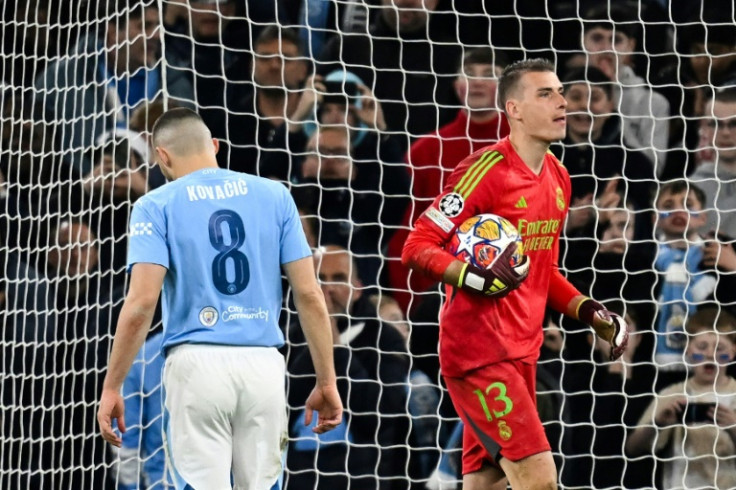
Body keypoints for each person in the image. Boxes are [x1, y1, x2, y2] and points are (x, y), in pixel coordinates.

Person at [401, 59, 630, 489]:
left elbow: (544, 272)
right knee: (539, 480)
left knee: (486, 483)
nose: (563, 102)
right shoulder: (484, 171)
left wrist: (590, 313)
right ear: (514, 109)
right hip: (479, 355)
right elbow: (418, 247)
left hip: (523, 351)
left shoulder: (559, 178)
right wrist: (475, 277)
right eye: (546, 94)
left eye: (560, 92)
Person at [97, 108, 342, 488]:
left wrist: (112, 386)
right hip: (263, 366)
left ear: (161, 156)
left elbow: (141, 304)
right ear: (214, 145)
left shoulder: (155, 204)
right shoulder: (276, 195)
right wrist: (327, 380)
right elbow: (309, 294)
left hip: (196, 365)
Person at [387, 47, 511, 312]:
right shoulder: (425, 150)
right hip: (437, 296)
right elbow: (404, 231)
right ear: (457, 86)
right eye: (469, 73)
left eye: (489, 74)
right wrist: (412, 304)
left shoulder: (526, 147)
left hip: (511, 290)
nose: (477, 81)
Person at [285, 245, 410, 489]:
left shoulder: (384, 338)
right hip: (296, 474)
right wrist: (315, 339)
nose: (328, 289)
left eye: (338, 279)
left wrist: (333, 344)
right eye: (319, 279)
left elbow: (381, 416)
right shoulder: (290, 337)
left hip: (364, 475)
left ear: (358, 288)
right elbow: (282, 405)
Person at [34, 0, 194, 175]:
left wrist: (149, 184)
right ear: (112, 32)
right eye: (145, 26)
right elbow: (38, 145)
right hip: (83, 195)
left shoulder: (176, 83)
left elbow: (189, 154)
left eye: (157, 25)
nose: (156, 35)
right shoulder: (63, 77)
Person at [625, 306, 736, 489]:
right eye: (702, 346)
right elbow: (632, 448)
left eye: (719, 348)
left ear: (732, 352)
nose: (710, 354)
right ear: (688, 349)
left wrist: (732, 426)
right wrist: (658, 423)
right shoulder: (673, 394)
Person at [581, 5, 671, 176]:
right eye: (597, 38)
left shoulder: (653, 103)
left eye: (616, 40)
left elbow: (654, 170)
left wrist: (613, 108)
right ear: (583, 41)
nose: (606, 48)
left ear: (631, 45)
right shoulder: (562, 95)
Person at [652, 180, 714, 388]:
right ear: (655, 218)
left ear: (703, 217)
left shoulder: (718, 257)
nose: (679, 210)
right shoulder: (642, 260)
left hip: (710, 365)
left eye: (688, 205)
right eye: (668, 206)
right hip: (654, 368)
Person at [116, 329, 171, 489]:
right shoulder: (235, 351)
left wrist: (131, 486)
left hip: (161, 481)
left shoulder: (144, 356)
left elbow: (125, 437)